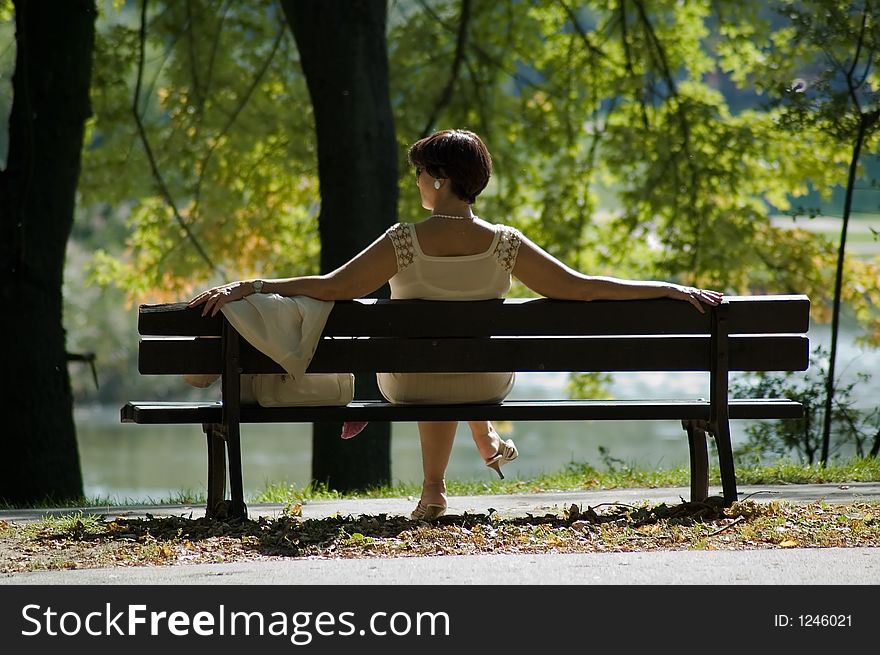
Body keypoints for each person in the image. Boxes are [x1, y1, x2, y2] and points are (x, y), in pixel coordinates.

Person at [189, 128, 722, 520]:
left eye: (421, 173)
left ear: (439, 180)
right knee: (456, 358)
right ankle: (477, 442)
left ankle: (434, 491)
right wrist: (666, 288)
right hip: (488, 381)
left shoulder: (404, 240)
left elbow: (331, 287)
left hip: (408, 382)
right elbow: (581, 287)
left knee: (427, 361)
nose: (418, 182)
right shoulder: (506, 244)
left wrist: (255, 286)